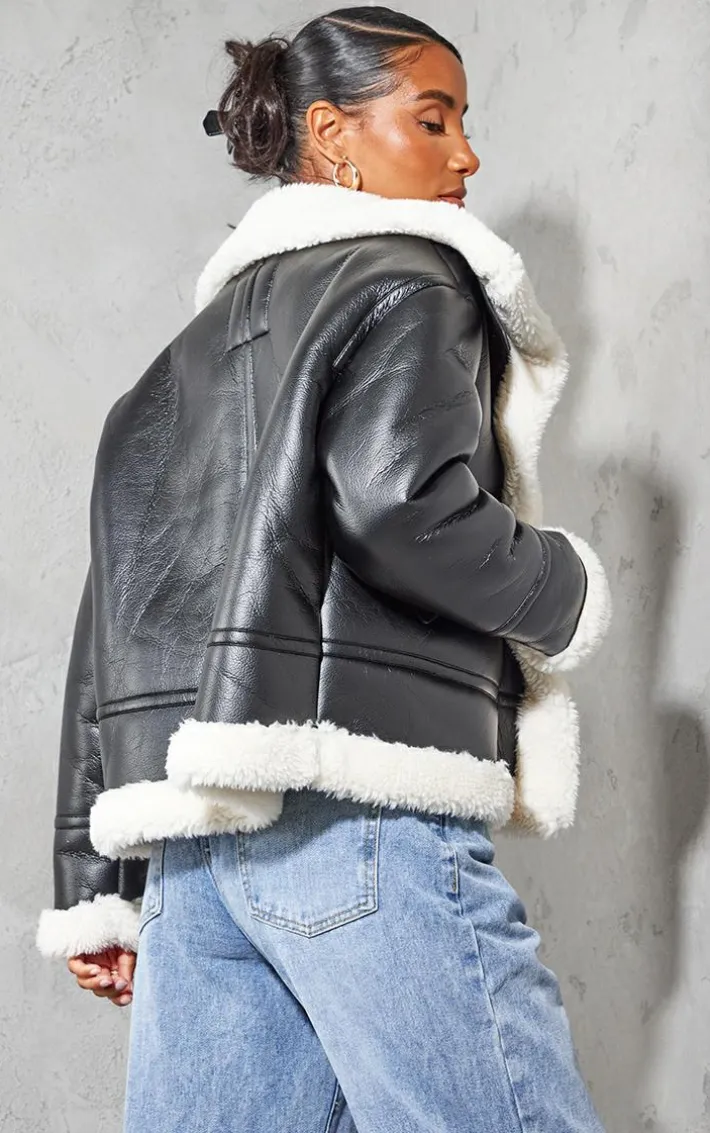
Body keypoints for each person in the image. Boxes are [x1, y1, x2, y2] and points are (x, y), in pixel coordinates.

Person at [36, 7, 613, 1131]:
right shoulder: (411, 278)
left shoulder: (169, 371)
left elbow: (111, 629)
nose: (466, 154)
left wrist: (100, 891)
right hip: (358, 814)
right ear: (331, 134)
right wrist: (567, 591)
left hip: (198, 859)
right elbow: (402, 507)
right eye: (432, 119)